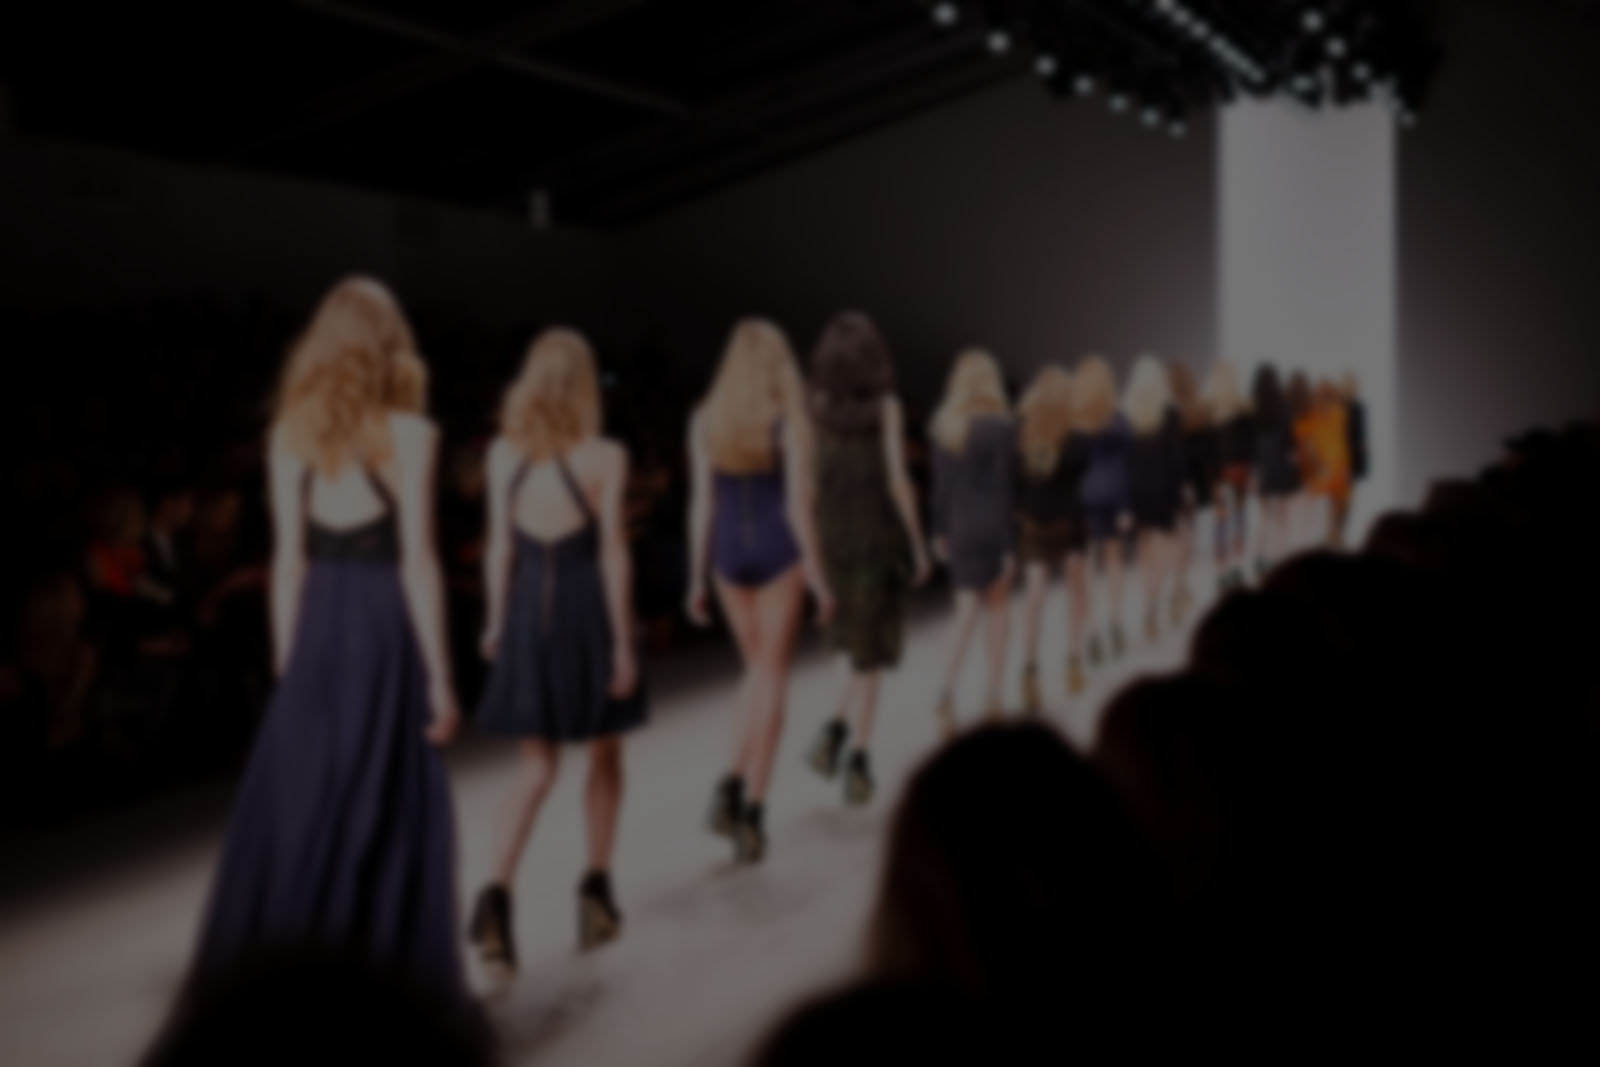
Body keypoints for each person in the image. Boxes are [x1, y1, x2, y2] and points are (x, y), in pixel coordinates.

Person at [187, 277, 464, 1005]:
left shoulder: (290, 436)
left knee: (312, 799)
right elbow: (418, 561)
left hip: (316, 626)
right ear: (390, 343)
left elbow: (289, 562)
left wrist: (289, 662)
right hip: (380, 623)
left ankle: (295, 976)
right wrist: (441, 675)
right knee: (386, 793)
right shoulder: (411, 435)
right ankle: (382, 979)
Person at [468, 328, 645, 976]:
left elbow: (499, 547)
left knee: (535, 769)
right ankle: (596, 892)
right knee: (604, 751)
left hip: (525, 609)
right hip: (583, 609)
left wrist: (494, 618)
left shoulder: (502, 456)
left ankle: (495, 897)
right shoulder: (605, 456)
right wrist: (622, 643)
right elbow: (612, 554)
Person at [685, 318, 832, 864]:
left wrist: (694, 576)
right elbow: (796, 508)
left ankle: (729, 782)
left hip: (727, 552)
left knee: (754, 671)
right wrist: (818, 579)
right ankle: (752, 810)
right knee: (771, 676)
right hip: (775, 549)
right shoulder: (787, 419)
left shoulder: (704, 419)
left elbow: (700, 504)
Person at [802, 313, 931, 805]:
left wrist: (810, 551)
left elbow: (809, 483)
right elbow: (898, 480)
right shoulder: (887, 409)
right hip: (875, 535)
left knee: (850, 646)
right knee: (869, 650)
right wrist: (917, 542)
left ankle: (836, 732)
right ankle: (855, 754)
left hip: (833, 536)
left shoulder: (813, 407)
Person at [928, 350, 1015, 737]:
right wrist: (1009, 544)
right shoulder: (1001, 427)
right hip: (993, 527)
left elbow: (941, 489)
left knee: (964, 613)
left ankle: (944, 692)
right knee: (997, 610)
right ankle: (994, 697)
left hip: (961, 526)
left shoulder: (946, 427)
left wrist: (939, 531)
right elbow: (1004, 489)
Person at [1013, 365, 1091, 708]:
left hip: (1033, 522)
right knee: (1076, 590)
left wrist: (1020, 509)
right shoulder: (1077, 438)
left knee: (1035, 595)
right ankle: (1073, 661)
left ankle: (1029, 670)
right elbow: (1080, 471)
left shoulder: (1020, 434)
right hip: (1069, 522)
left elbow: (1015, 479)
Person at [1123, 355, 1187, 645]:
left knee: (1145, 556)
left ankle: (1149, 606)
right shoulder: (1170, 413)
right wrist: (1179, 495)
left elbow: (1124, 462)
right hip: (1162, 492)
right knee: (1161, 555)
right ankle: (1155, 607)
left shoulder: (1127, 414)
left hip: (1135, 493)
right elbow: (1176, 459)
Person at [1075, 356, 1132, 664]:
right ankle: (1116, 622)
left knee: (1087, 565)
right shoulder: (1118, 419)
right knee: (1114, 560)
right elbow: (1124, 466)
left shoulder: (1074, 420)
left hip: (1083, 497)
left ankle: (1091, 630)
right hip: (1112, 494)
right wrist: (1125, 506)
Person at [1167, 360, 1215, 624]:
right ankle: (1180, 586)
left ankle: (1178, 588)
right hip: (1194, 482)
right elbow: (1207, 452)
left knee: (1176, 535)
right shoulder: (1199, 411)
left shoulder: (1165, 413)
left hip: (1172, 481)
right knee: (1186, 535)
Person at [1202, 359, 1253, 592]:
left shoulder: (1209, 409)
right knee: (1239, 515)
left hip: (1218, 472)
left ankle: (1221, 568)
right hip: (1239, 469)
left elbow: (1207, 449)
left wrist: (1212, 477)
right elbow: (1248, 445)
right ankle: (1237, 564)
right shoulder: (1244, 408)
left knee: (1221, 518)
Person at [1251, 364, 1298, 579]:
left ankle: (1259, 558)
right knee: (1283, 516)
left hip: (1262, 468)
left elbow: (1251, 444)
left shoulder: (1253, 407)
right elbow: (1289, 440)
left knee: (1263, 518)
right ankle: (1280, 560)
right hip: (1281, 465)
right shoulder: (1285, 406)